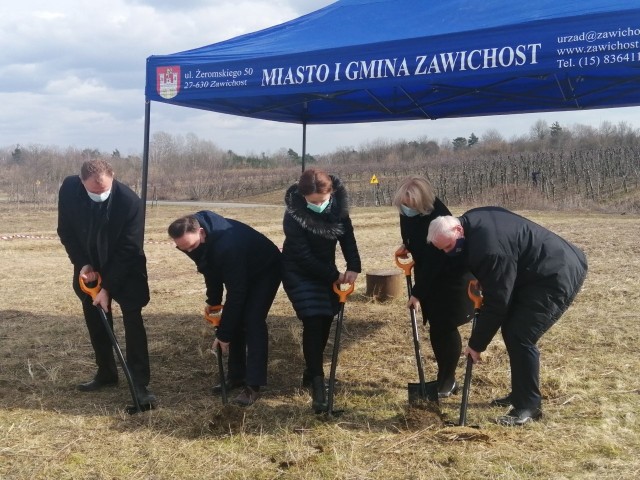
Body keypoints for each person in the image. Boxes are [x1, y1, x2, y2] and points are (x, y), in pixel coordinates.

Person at [427, 207, 588, 426]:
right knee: (513, 331)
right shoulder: (471, 222)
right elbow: (500, 269)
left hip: (555, 273)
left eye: (448, 246)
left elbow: (498, 303)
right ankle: (519, 394)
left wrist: (476, 344)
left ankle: (529, 406)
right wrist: (486, 277)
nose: (448, 252)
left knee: (520, 334)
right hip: (533, 270)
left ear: (458, 229)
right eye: (442, 249)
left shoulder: (490, 249)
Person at [57, 159, 155, 408]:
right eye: (94, 191)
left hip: (126, 266)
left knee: (132, 319)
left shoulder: (130, 202)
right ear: (82, 182)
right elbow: (66, 231)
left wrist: (107, 288)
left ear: (113, 177)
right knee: (95, 316)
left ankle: (139, 382)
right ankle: (106, 373)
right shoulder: (69, 189)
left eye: (104, 190)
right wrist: (83, 264)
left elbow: (130, 248)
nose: (100, 194)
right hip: (90, 266)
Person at [168, 211, 281, 407]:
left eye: (191, 247)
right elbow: (209, 268)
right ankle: (236, 376)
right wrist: (214, 302)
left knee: (252, 321)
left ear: (201, 233)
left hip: (265, 269)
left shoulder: (227, 245)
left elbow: (237, 293)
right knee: (234, 318)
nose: (189, 252)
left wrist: (224, 335)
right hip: (240, 270)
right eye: (183, 248)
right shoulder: (193, 242)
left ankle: (253, 384)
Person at [281, 168, 361, 413]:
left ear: (331, 193)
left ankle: (310, 370)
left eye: (322, 200)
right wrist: (334, 276)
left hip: (325, 269)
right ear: (303, 196)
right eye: (312, 202)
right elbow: (303, 256)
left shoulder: (338, 208)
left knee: (326, 317)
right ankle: (318, 385)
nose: (317, 205)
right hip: (298, 271)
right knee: (313, 319)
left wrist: (354, 266)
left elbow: (347, 238)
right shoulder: (293, 215)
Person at [392, 176, 475, 398]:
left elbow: (434, 262)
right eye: (404, 204)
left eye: (411, 205)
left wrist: (417, 294)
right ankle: (444, 378)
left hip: (449, 277)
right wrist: (407, 245)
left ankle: (447, 380)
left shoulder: (438, 216)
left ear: (423, 203)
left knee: (444, 327)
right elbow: (414, 237)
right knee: (437, 328)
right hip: (428, 275)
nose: (406, 209)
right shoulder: (406, 211)